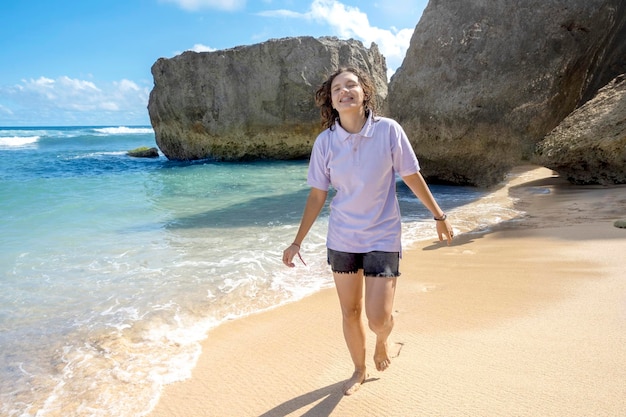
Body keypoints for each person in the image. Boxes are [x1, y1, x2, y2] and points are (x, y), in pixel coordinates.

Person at [282, 67, 454, 396]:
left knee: (377, 319)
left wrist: (439, 215)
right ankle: (358, 370)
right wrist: (296, 242)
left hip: (383, 236)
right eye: (337, 90)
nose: (344, 92)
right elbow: (318, 194)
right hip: (343, 238)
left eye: (351, 85)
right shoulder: (326, 142)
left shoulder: (388, 131)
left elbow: (411, 175)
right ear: (331, 101)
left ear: (364, 92)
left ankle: (383, 339)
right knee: (350, 311)